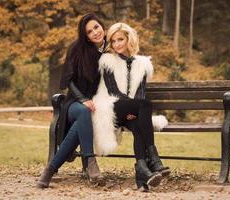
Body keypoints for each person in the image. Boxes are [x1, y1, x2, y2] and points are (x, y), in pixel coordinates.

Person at [92, 22, 170, 191]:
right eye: (113, 41)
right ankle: (154, 158)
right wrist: (132, 108)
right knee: (145, 104)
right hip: (111, 107)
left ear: (129, 39)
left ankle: (142, 172)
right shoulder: (107, 61)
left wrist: (134, 111)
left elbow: (140, 93)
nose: (117, 44)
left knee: (138, 127)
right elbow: (113, 91)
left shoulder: (143, 64)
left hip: (133, 113)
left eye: (120, 39)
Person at [37, 13, 107, 188]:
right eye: (90, 32)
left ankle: (49, 170)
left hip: (97, 105)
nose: (95, 33)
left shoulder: (111, 49)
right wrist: (83, 99)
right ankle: (91, 162)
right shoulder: (77, 49)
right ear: (86, 36)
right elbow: (68, 79)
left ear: (102, 26)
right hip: (74, 103)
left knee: (81, 123)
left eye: (96, 27)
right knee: (84, 111)